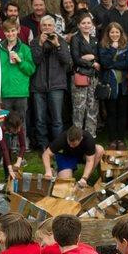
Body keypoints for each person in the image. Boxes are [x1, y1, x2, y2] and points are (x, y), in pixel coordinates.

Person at [30, 16, 72, 151]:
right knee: (40, 119)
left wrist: (58, 45)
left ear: (54, 27)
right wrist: (41, 45)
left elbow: (67, 61)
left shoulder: (60, 41)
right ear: (40, 27)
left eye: (50, 25)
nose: (47, 28)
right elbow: (35, 61)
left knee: (57, 120)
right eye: (44, 25)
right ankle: (43, 146)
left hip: (56, 85)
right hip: (38, 85)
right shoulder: (34, 42)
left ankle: (57, 146)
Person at [98, 22, 128, 151]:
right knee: (111, 113)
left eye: (117, 32)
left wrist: (114, 64)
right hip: (110, 85)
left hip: (123, 84)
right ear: (108, 33)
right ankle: (112, 139)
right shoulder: (104, 46)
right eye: (112, 32)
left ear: (121, 33)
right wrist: (112, 49)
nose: (115, 34)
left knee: (122, 113)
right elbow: (105, 63)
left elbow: (127, 63)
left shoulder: (126, 46)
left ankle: (121, 139)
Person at [69, 13, 100, 136]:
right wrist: (91, 63)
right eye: (83, 23)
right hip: (80, 76)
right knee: (79, 108)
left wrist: (91, 58)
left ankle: (90, 136)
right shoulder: (75, 39)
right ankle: (77, 136)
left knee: (92, 107)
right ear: (78, 25)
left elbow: (98, 57)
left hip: (93, 78)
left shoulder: (95, 39)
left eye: (88, 23)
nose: (86, 25)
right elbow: (76, 59)